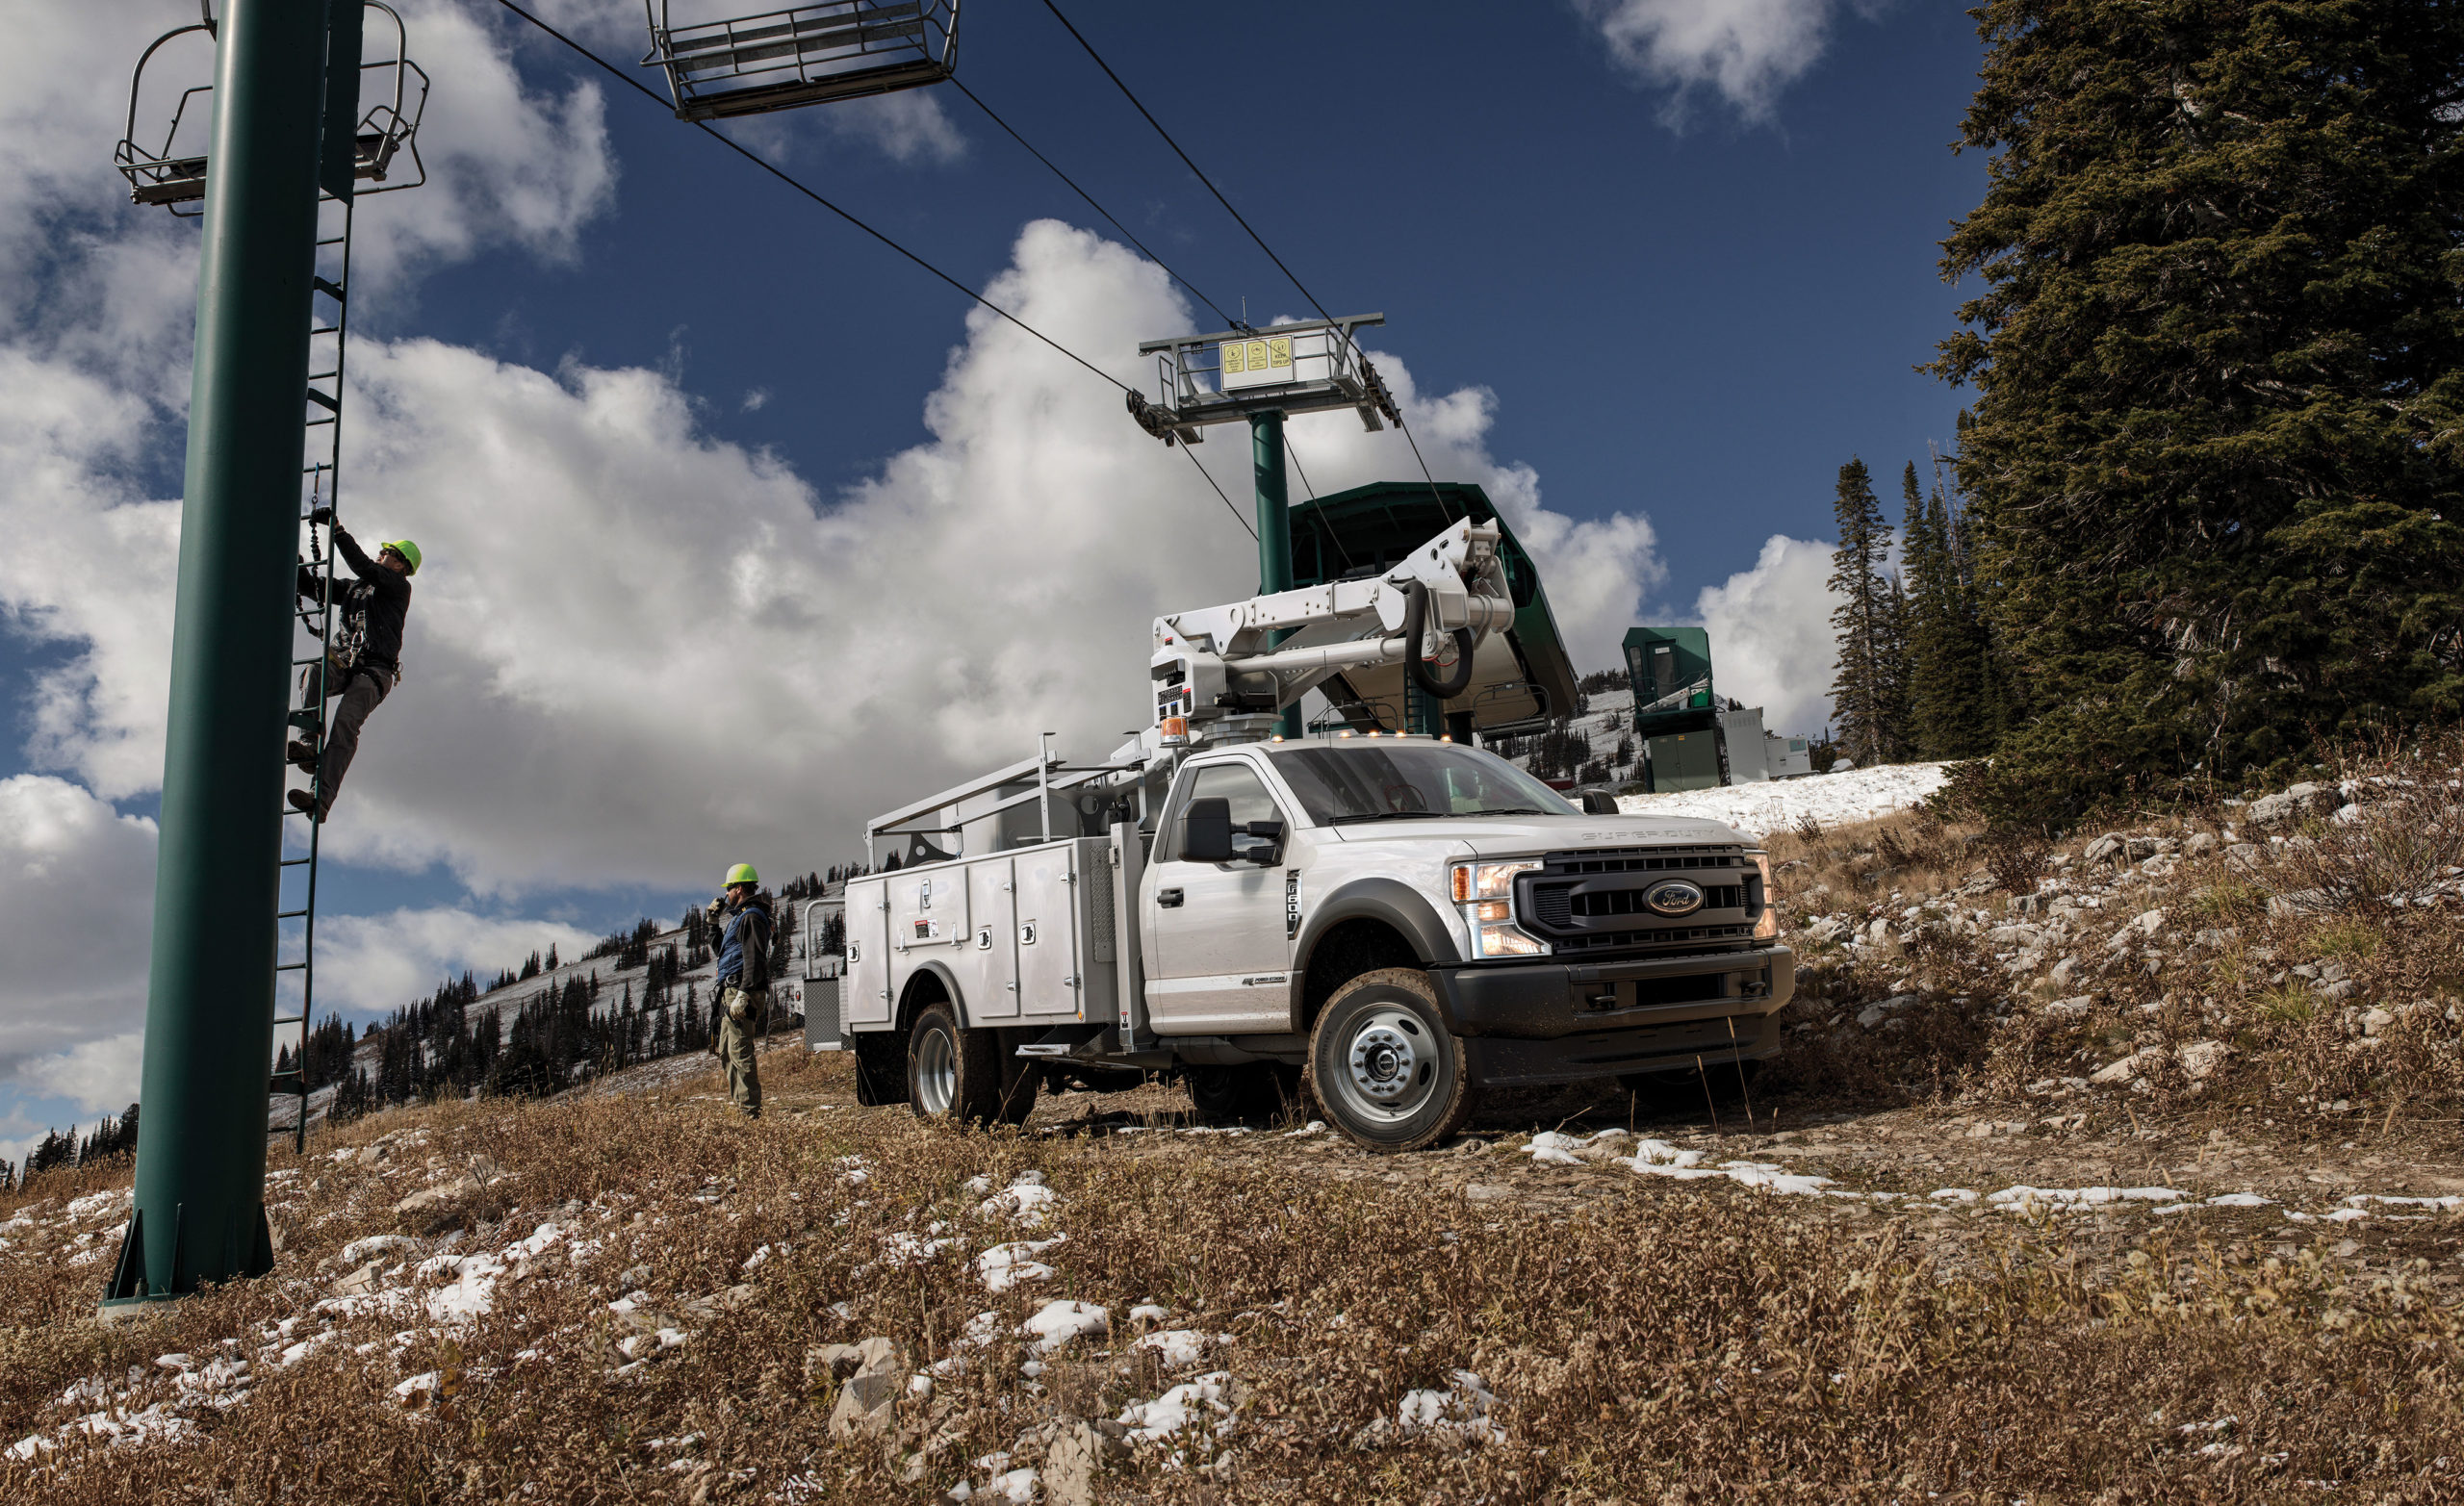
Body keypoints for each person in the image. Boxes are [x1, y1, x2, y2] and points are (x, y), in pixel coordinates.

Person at [289, 507, 418, 822]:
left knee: (345, 726)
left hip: (374, 672)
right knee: (315, 670)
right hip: (346, 662)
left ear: (400, 565)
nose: (379, 555)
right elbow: (314, 588)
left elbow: (361, 564)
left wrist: (337, 531)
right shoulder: (355, 589)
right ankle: (308, 743)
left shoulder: (398, 588)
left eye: (386, 553)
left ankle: (320, 797)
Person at [705, 863, 773, 1119]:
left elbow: (755, 956)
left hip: (742, 989)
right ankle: (743, 1107)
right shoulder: (741, 916)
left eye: (730, 887)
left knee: (739, 1050)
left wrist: (744, 993)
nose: (727, 893)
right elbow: (724, 952)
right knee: (726, 1051)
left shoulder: (752, 916)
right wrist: (713, 923)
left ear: (740, 888)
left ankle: (749, 1114)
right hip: (731, 989)